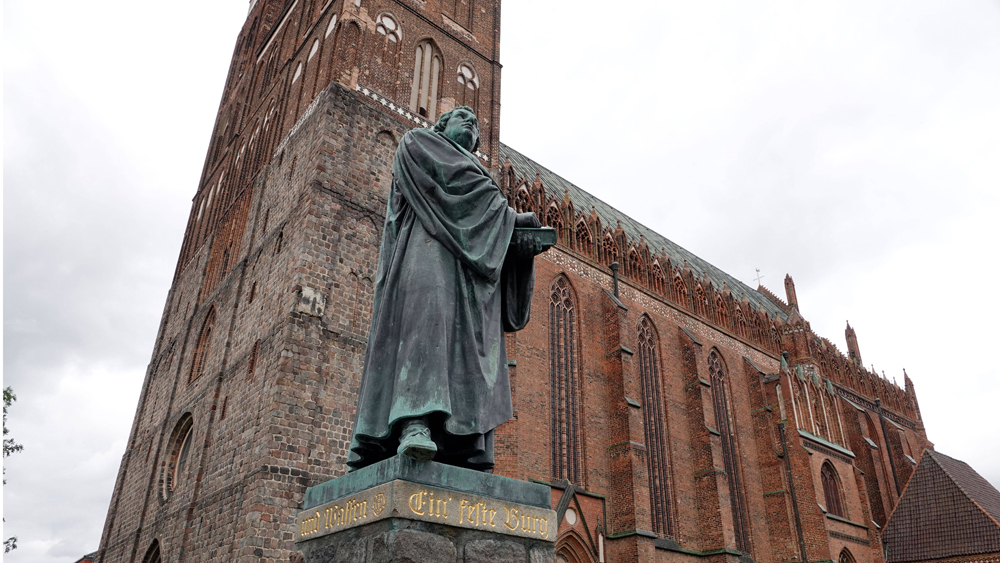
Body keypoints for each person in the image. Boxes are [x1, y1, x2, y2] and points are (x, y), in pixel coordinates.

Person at [347, 107, 543, 471]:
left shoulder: (483, 178)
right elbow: (456, 189)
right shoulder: (417, 143)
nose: (471, 122)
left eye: (476, 122)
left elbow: (485, 218)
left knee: (471, 351)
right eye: (462, 116)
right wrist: (510, 220)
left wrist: (520, 243)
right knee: (425, 328)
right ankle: (414, 423)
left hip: (472, 281)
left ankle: (464, 443)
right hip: (428, 252)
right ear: (441, 125)